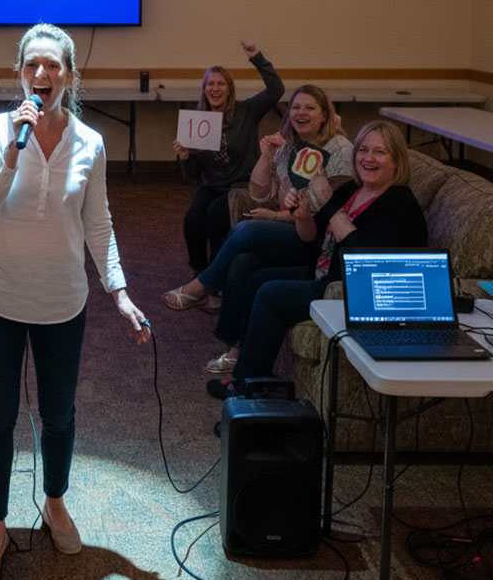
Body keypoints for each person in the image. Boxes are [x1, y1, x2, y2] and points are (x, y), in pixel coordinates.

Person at [0, 22, 150, 580]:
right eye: (31, 66)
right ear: (20, 73)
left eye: (52, 66)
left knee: (60, 414)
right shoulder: (0, 128)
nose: (41, 75)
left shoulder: (90, 142)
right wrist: (13, 155)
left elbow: (98, 222)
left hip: (62, 301)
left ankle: (55, 502)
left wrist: (118, 290)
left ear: (69, 76)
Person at [208, 119, 428, 400]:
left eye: (379, 152)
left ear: (396, 161)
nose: (368, 158)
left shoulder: (399, 204)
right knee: (257, 275)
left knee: (271, 293)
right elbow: (314, 240)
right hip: (327, 274)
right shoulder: (352, 191)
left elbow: (359, 258)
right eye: (363, 150)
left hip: (358, 292)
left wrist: (326, 200)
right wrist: (302, 217)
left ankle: (247, 391)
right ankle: (250, 376)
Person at [162, 83, 353, 316]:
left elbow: (322, 209)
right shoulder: (289, 145)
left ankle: (202, 286)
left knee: (246, 231)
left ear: (325, 115)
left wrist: (274, 215)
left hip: (320, 234)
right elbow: (259, 194)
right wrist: (266, 156)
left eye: (309, 108)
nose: (301, 113)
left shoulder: (339, 148)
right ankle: (233, 345)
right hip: (292, 224)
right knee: (242, 261)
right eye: (295, 107)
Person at [170, 42, 283, 284]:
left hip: (243, 185)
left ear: (229, 89)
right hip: (213, 185)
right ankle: (200, 270)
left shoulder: (247, 111)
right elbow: (195, 174)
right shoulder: (199, 121)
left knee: (215, 215)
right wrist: (186, 157)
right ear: (204, 90)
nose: (215, 88)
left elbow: (276, 90)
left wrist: (258, 59)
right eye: (210, 84)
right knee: (193, 217)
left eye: (221, 83)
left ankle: (216, 273)